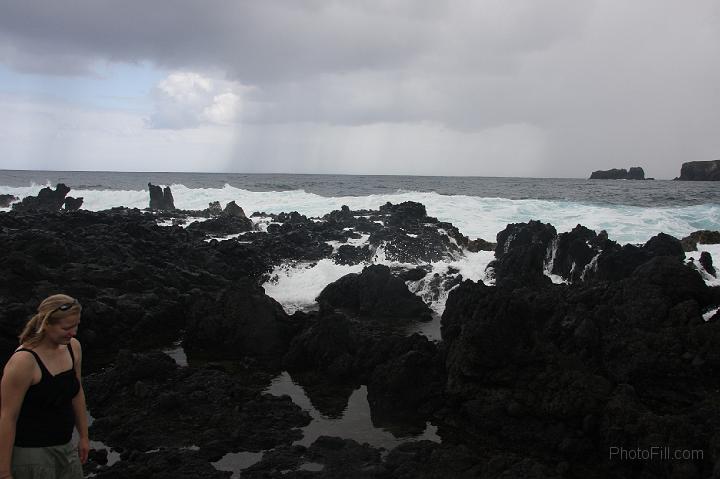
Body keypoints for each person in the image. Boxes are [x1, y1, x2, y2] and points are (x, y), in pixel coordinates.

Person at [0, 294, 89, 479]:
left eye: (76, 325)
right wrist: (4, 471)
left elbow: (77, 392)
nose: (73, 332)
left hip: (66, 448)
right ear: (46, 323)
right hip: (32, 456)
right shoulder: (24, 361)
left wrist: (84, 436)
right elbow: (8, 417)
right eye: (66, 327)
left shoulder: (73, 347)